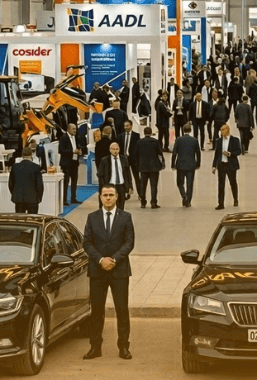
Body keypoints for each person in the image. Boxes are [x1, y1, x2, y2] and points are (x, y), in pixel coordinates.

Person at [82, 185, 135, 361]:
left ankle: (124, 347)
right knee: (96, 311)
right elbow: (87, 242)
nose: (108, 198)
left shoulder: (126, 217)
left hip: (119, 271)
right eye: (105, 195)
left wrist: (113, 259)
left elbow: (129, 242)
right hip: (97, 271)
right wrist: (100, 260)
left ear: (117, 197)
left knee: (122, 310)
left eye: (111, 195)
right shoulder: (92, 217)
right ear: (100, 197)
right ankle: (95, 347)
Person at [9, 140, 44, 214]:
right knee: (33, 219)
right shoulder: (36, 167)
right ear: (31, 154)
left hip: (19, 199)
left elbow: (11, 184)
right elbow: (39, 185)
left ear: (22, 155)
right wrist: (39, 198)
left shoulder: (15, 167)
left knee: (20, 220)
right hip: (33, 199)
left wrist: (15, 193)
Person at [212, 124, 242, 210]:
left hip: (231, 165)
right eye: (221, 130)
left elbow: (239, 151)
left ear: (227, 130)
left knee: (233, 182)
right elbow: (216, 154)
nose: (221, 132)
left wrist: (230, 154)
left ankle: (235, 199)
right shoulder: (218, 141)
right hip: (222, 165)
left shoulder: (235, 140)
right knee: (221, 184)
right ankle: (221, 203)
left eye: (223, 130)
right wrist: (214, 166)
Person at [171, 123, 201, 207]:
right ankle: (188, 201)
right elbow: (198, 153)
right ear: (190, 130)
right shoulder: (194, 140)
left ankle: (184, 195)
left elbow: (174, 153)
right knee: (189, 184)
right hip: (191, 165)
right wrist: (198, 163)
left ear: (183, 130)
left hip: (180, 164)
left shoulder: (178, 140)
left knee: (179, 183)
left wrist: (173, 164)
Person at [135, 127, 164, 209]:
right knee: (153, 186)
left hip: (143, 167)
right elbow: (160, 153)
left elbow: (136, 155)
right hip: (154, 167)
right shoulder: (155, 142)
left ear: (144, 133)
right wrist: (162, 163)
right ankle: (153, 202)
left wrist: (137, 165)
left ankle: (143, 202)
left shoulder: (139, 142)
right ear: (151, 133)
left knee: (143, 185)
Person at [99, 143, 133, 210]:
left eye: (117, 149)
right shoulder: (104, 160)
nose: (115, 151)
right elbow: (100, 175)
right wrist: (103, 186)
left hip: (121, 186)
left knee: (121, 206)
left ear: (119, 150)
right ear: (110, 150)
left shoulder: (124, 159)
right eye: (113, 149)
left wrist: (130, 186)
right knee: (110, 205)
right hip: (110, 186)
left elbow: (128, 174)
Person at [60, 124, 84, 205]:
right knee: (66, 182)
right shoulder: (63, 138)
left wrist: (80, 151)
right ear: (69, 129)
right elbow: (61, 150)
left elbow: (77, 146)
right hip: (66, 163)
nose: (75, 131)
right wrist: (72, 151)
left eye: (75, 129)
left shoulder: (76, 137)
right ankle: (64, 200)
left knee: (74, 181)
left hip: (75, 162)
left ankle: (73, 198)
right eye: (73, 129)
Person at [118, 120, 142, 195]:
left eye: (127, 125)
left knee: (136, 177)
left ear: (131, 126)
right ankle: (126, 192)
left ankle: (140, 194)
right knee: (125, 176)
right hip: (123, 158)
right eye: (124, 126)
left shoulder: (136, 136)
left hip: (133, 159)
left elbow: (138, 148)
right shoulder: (120, 136)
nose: (126, 127)